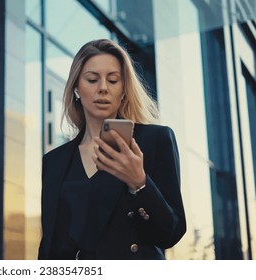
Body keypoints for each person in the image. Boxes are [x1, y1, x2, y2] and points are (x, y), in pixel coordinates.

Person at [38, 39, 186, 260]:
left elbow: (171, 233)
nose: (103, 88)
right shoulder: (55, 161)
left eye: (113, 80)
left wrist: (140, 182)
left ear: (124, 89)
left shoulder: (154, 140)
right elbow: (50, 247)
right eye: (92, 79)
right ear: (77, 88)